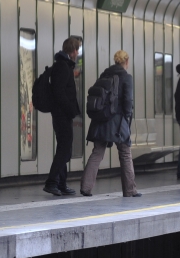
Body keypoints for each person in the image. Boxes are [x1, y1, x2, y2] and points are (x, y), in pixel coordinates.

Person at [80, 50, 140, 197]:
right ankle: (130, 190)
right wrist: (127, 120)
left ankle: (86, 187)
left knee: (97, 152)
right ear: (127, 62)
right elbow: (128, 103)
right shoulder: (126, 77)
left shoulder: (104, 74)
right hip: (118, 122)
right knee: (125, 153)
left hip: (100, 120)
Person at [43, 37, 82, 196]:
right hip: (62, 115)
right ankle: (52, 182)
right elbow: (59, 93)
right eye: (77, 49)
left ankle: (61, 183)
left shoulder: (64, 66)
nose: (78, 53)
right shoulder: (62, 67)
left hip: (62, 114)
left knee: (64, 148)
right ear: (72, 51)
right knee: (64, 150)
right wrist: (71, 110)